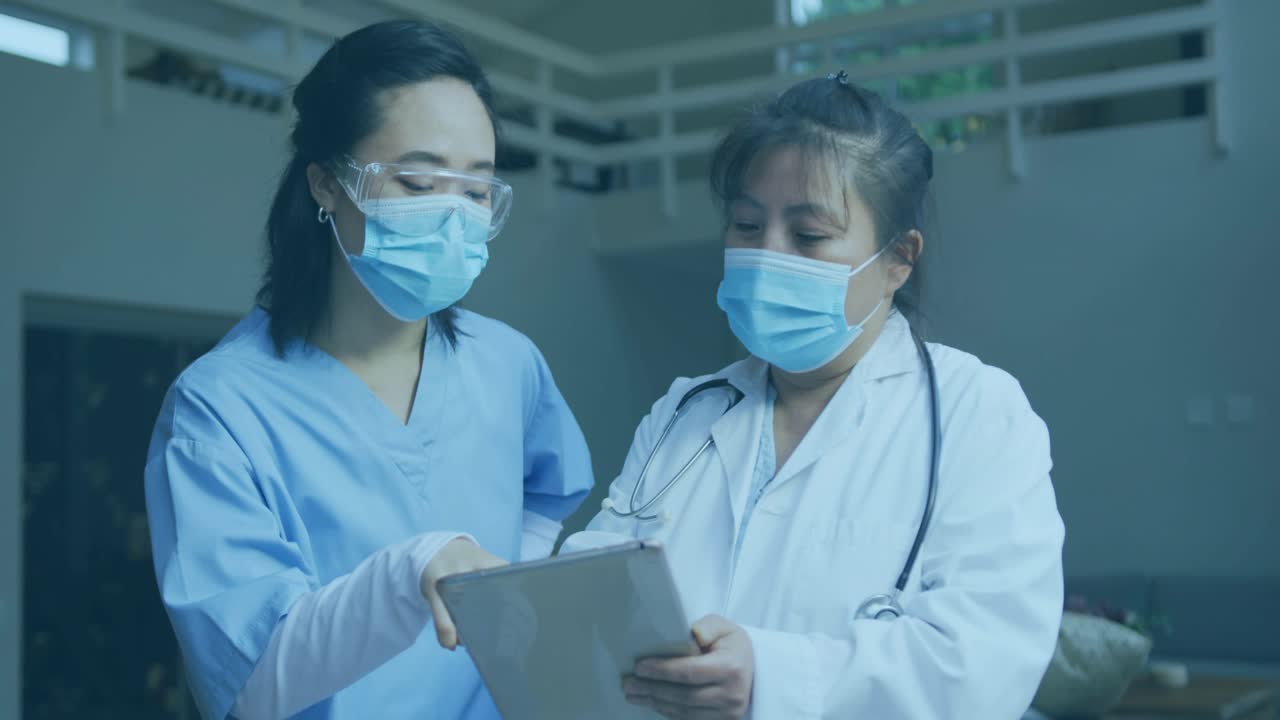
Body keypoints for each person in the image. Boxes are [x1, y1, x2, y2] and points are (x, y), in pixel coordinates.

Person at [565, 73, 1065, 719]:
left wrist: (773, 678)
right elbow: (595, 590)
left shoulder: (976, 413)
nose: (766, 255)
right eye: (746, 224)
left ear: (897, 260)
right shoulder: (686, 411)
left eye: (809, 236)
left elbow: (982, 663)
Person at [143, 20, 593, 720]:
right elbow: (251, 682)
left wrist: (505, 595)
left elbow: (549, 489)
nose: (453, 216)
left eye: (476, 192)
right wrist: (410, 573)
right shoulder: (219, 410)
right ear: (325, 182)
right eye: (417, 181)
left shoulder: (507, 364)